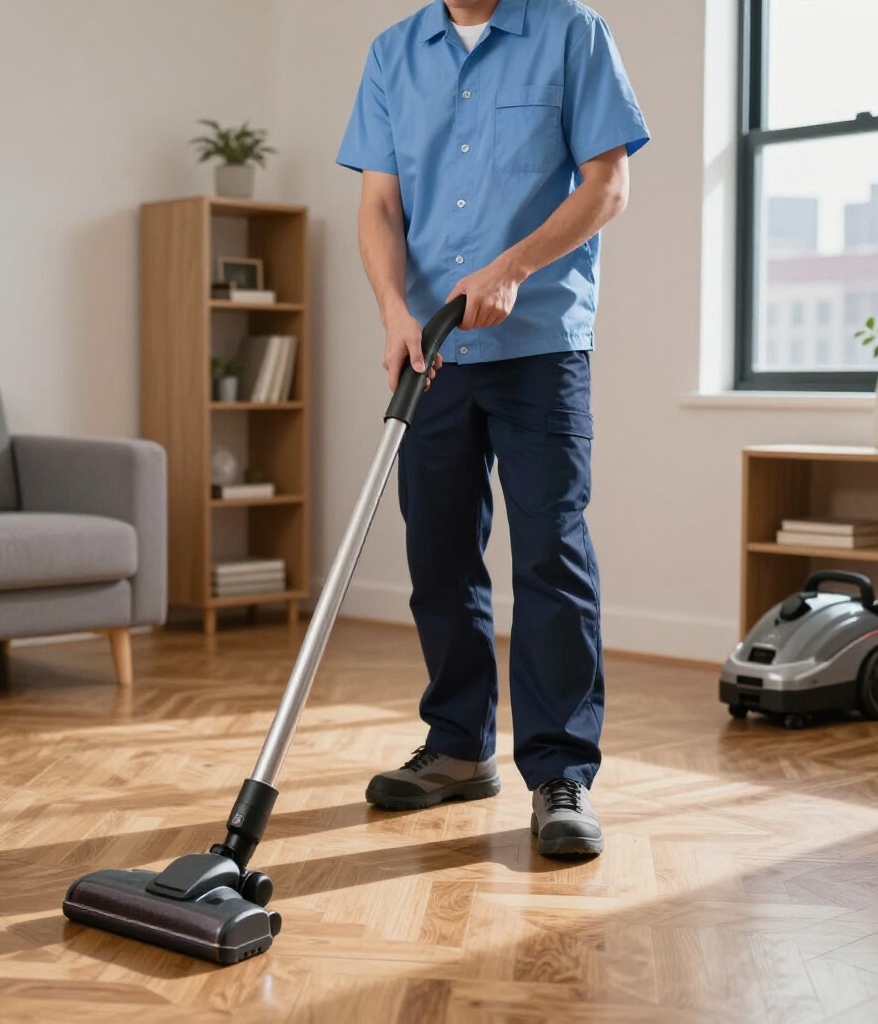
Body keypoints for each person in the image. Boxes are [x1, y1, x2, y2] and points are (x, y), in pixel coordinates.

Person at [336, 0, 649, 858]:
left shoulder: (572, 32)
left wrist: (515, 265)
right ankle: (458, 746)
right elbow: (378, 206)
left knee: (549, 552)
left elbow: (607, 186)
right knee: (437, 549)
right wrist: (394, 312)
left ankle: (561, 775)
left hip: (541, 342)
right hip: (431, 346)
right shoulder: (393, 54)